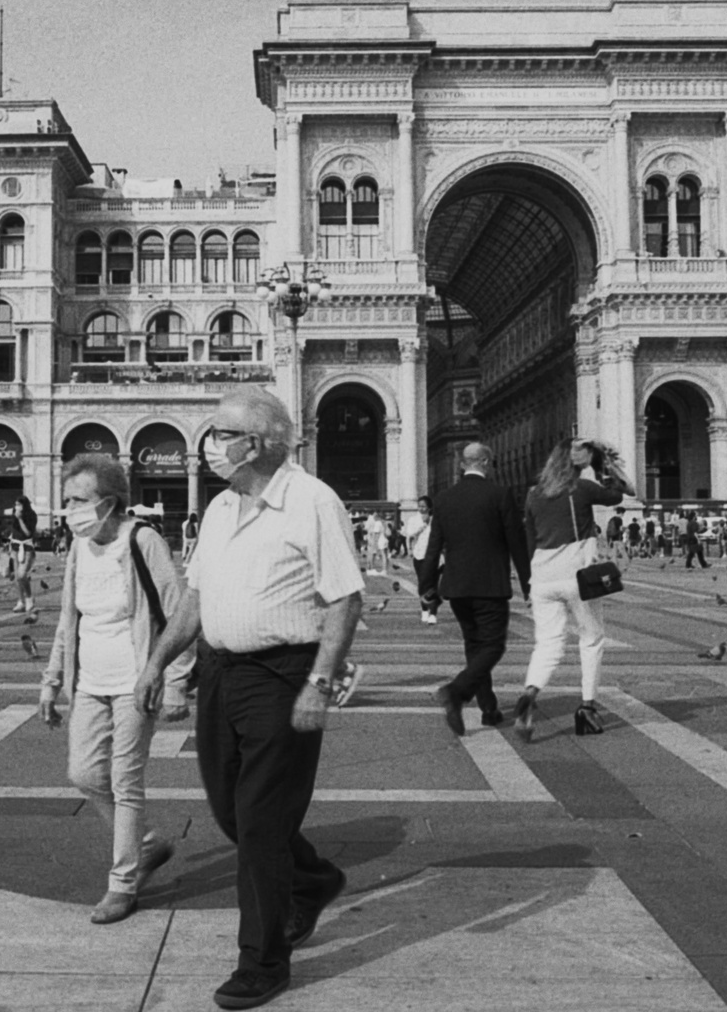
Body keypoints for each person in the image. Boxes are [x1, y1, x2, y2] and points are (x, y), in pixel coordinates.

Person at [134, 387, 363, 1010]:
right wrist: (160, 662)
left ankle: (262, 961)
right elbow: (197, 599)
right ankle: (312, 880)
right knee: (232, 812)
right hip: (220, 672)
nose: (208, 446)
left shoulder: (313, 501)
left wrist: (320, 680)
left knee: (261, 821)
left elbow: (345, 597)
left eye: (220, 433)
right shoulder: (220, 509)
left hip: (284, 674)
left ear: (255, 443)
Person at [39, 455, 189, 924]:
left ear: (108, 501)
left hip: (136, 682)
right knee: (83, 773)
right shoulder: (78, 549)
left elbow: (179, 612)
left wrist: (176, 681)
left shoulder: (143, 541)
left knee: (126, 780)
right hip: (90, 682)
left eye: (78, 500)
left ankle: (123, 884)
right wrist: (52, 680)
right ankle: (147, 845)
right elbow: (69, 621)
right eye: (67, 501)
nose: (70, 510)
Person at [516, 439, 636, 739]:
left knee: (547, 643)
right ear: (575, 462)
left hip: (542, 577)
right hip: (577, 576)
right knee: (592, 638)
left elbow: (529, 541)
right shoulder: (582, 489)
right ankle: (587, 706)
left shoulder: (533, 495)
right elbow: (627, 491)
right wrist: (606, 464)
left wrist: (528, 586)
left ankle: (530, 691)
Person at [417, 442, 530, 736]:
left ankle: (489, 708)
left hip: (456, 587)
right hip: (490, 585)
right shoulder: (499, 495)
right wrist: (529, 582)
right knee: (492, 646)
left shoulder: (444, 499)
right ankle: (457, 691)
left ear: (461, 464)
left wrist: (427, 587)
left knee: (474, 646)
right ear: (487, 462)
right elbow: (517, 543)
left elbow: (433, 548)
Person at [405, 496, 440, 625]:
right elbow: (410, 533)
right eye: (419, 506)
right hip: (419, 555)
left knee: (433, 584)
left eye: (424, 506)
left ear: (429, 507)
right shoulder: (413, 519)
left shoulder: (436, 519)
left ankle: (433, 613)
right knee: (422, 584)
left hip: (433, 555)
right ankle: (424, 609)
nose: (421, 508)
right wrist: (423, 525)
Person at [10, 496, 38, 612]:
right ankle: (20, 601)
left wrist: (21, 519)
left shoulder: (31, 516)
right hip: (15, 546)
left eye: (19, 505)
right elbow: (14, 532)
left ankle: (29, 597)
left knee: (22, 574)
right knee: (16, 576)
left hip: (26, 547)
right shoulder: (14, 516)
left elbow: (27, 533)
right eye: (16, 504)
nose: (17, 507)